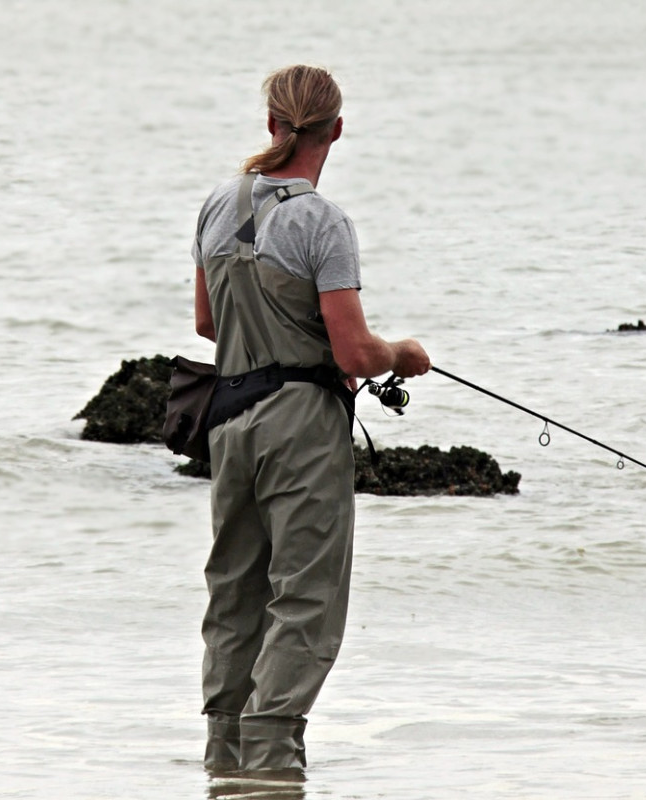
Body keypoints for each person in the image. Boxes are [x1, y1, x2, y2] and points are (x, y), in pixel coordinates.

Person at [190, 64, 431, 775]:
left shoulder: (215, 204)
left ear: (272, 124)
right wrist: (405, 355)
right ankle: (270, 760)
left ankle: (224, 761)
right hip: (300, 425)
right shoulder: (322, 221)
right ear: (337, 129)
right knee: (306, 599)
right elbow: (356, 349)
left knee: (234, 594)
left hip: (228, 420)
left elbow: (208, 323)